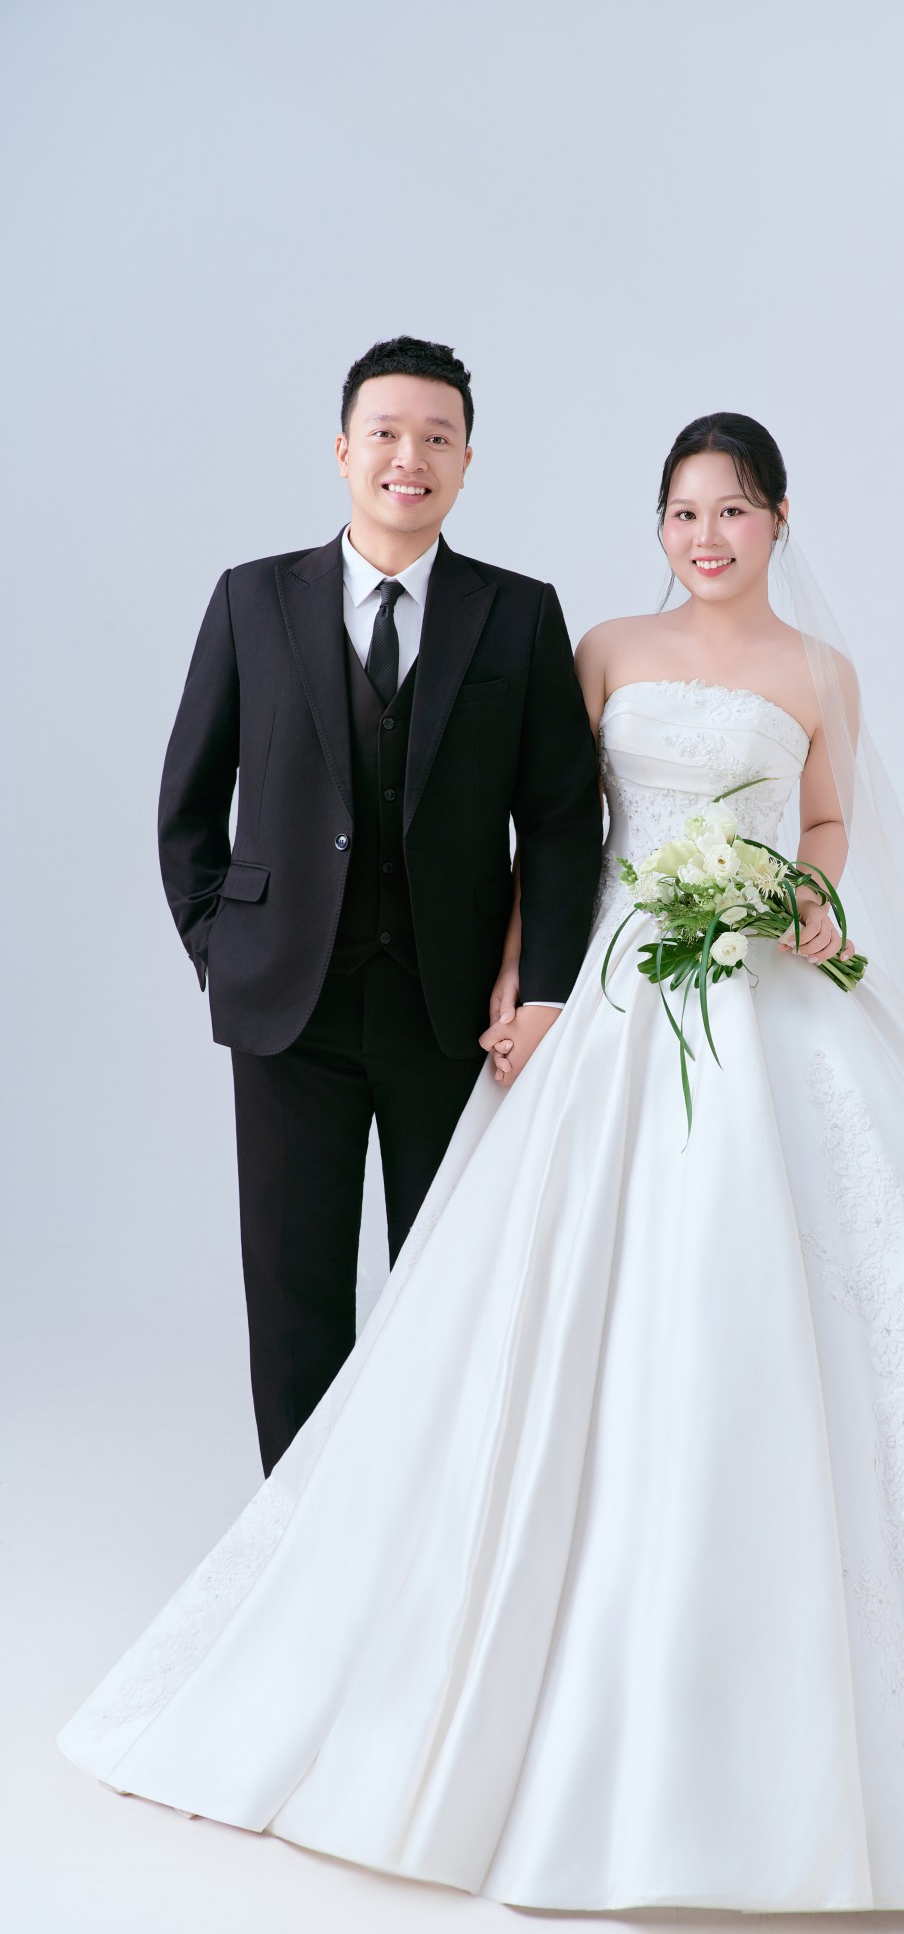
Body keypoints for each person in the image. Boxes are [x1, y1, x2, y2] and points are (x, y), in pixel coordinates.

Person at [61, 416, 904, 1911]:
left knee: (832, 1292)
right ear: (657, 527)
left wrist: (802, 894)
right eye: (681, 513)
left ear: (779, 520)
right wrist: (529, 979)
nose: (704, 537)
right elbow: (557, 827)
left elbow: (828, 817)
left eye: (730, 511)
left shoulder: (821, 673)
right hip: (613, 996)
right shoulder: (601, 648)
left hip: (770, 994)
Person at [155, 336, 602, 1474]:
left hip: (452, 1014)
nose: (411, 456)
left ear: (466, 462)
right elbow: (189, 801)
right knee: (293, 1293)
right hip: (286, 1011)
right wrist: (224, 946)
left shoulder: (518, 614)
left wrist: (544, 990)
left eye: (437, 438)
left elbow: (561, 819)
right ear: (343, 449)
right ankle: (295, 1543)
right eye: (387, 433)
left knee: (451, 1288)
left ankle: (429, 1530)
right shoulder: (254, 598)